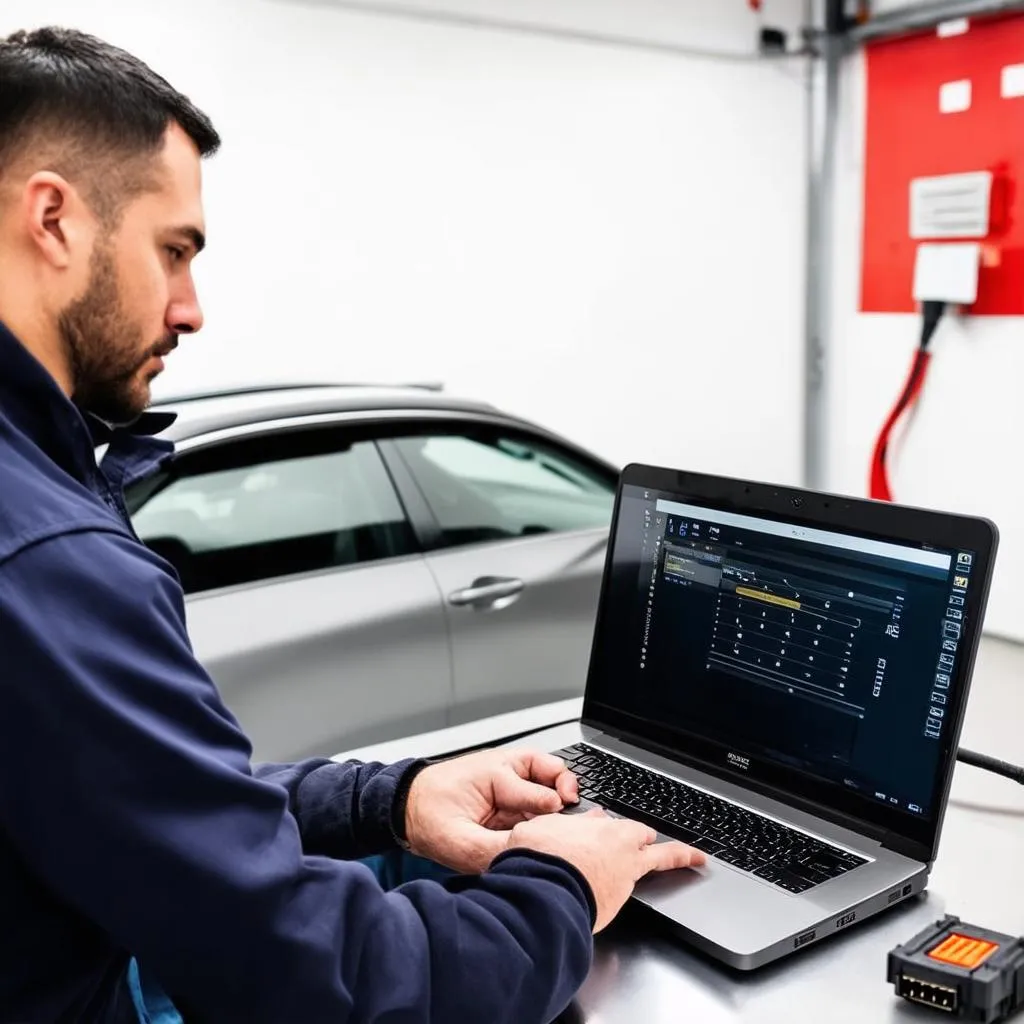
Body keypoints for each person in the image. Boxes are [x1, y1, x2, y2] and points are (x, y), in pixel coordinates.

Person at [0, 26, 705, 1024]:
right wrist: (561, 883)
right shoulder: (49, 561)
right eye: (175, 251)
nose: (191, 308)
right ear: (54, 219)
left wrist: (391, 799)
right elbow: (314, 975)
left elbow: (156, 817)